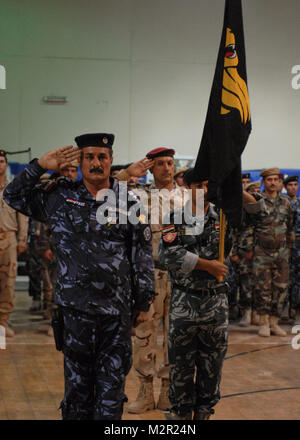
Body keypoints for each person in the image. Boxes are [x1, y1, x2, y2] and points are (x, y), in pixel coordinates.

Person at [3, 134, 155, 420]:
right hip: (75, 314)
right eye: (90, 157)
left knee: (111, 396)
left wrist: (144, 303)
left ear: (111, 161)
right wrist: (39, 166)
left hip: (115, 315)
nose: (96, 163)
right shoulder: (60, 197)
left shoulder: (128, 203)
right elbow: (12, 196)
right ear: (81, 161)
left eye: (102, 157)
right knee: (76, 396)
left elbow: (142, 255)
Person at [158, 168, 260, 420]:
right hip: (185, 301)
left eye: (207, 185)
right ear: (188, 188)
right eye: (198, 185)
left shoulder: (224, 216)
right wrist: (207, 265)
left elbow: (258, 214)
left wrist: (236, 191)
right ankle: (181, 414)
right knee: (181, 365)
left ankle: (204, 411)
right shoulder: (175, 218)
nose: (203, 191)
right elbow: (167, 255)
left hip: (215, 303)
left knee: (212, 363)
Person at [117, 147, 185, 414]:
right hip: (148, 276)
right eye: (160, 164)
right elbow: (110, 193)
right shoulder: (140, 196)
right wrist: (127, 172)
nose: (166, 168)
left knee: (174, 335)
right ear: (151, 168)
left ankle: (168, 392)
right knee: (143, 334)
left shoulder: (187, 198)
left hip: (179, 277)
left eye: (170, 163)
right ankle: (144, 392)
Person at [252, 168, 295, 337]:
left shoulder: (286, 202)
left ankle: (274, 322)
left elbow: (290, 226)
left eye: (276, 180)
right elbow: (250, 227)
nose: (273, 182)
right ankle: (263, 322)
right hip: (262, 251)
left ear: (279, 182)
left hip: (282, 252)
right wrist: (249, 249)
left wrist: (289, 248)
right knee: (262, 287)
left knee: (281, 287)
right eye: (269, 179)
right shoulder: (257, 201)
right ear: (264, 182)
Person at [0, 149, 28, 338]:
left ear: (6, 165)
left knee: (8, 283)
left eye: (1, 161)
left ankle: (2, 321)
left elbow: (23, 216)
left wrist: (22, 240)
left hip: (8, 239)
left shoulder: (13, 190)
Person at [283, 175, 300, 322]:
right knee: (286, 277)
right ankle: (286, 308)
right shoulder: (283, 203)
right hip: (287, 245)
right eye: (290, 185)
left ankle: (295, 307)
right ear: (285, 187)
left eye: (295, 184)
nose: (293, 187)